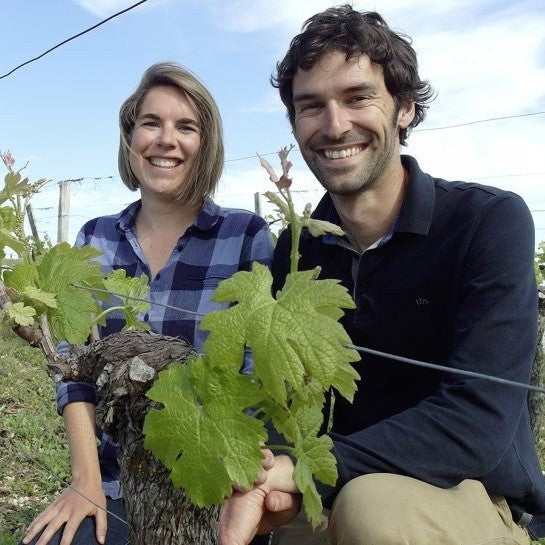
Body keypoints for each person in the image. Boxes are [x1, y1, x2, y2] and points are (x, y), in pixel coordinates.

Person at [218, 5, 545, 545]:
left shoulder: (487, 222)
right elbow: (286, 395)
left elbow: (478, 421)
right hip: (334, 485)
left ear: (405, 109)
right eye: (310, 106)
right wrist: (266, 472)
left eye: (357, 97)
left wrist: (301, 468)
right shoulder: (298, 249)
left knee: (374, 508)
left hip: (465, 495)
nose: (334, 124)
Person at [22, 62, 273, 545]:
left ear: (207, 144)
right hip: (117, 477)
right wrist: (86, 483)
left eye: (186, 126)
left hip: (210, 483)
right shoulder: (94, 240)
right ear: (130, 136)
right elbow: (73, 372)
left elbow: (253, 380)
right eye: (151, 123)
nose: (166, 139)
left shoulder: (245, 236)